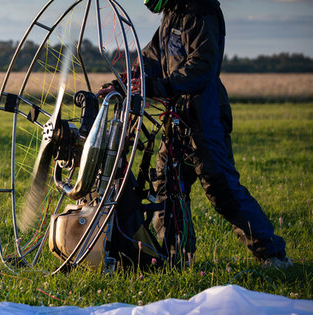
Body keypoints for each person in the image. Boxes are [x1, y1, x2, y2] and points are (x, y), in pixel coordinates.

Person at [102, 0, 291, 268]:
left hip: (205, 116)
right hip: (177, 117)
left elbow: (201, 67)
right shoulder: (173, 14)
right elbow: (153, 58)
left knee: (221, 188)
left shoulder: (202, 11)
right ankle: (174, 257)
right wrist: (127, 80)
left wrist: (159, 86)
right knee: (166, 184)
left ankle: (273, 255)